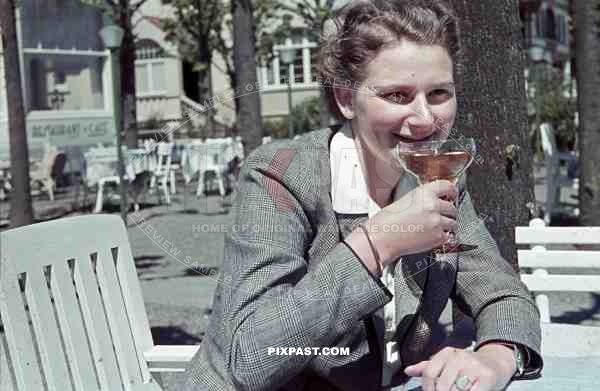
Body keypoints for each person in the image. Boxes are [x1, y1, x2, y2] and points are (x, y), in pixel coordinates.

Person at [182, 1, 543, 390]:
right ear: (345, 98)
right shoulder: (281, 175)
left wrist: (497, 356)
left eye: (439, 93)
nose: (425, 118)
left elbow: (503, 293)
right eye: (397, 95)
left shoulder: (438, 179)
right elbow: (250, 360)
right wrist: (377, 244)